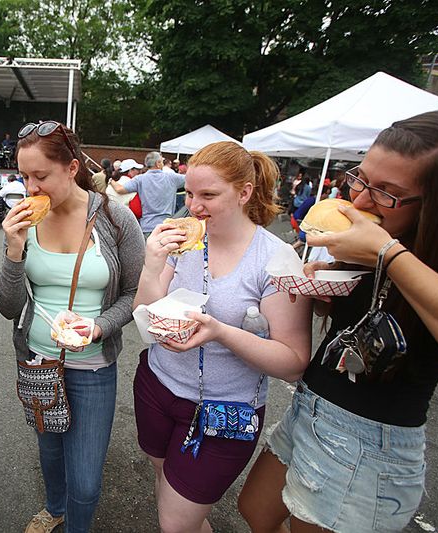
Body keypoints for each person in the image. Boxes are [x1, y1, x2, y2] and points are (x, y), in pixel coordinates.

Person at [239, 110, 438, 533]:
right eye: (360, 178)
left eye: (387, 193)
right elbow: (355, 320)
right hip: (313, 405)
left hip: (371, 438)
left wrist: (388, 255)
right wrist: (322, 296)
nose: (360, 201)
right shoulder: (365, 238)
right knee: (256, 508)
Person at [132, 141, 311, 533]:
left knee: (175, 523)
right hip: (157, 387)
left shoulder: (276, 259)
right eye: (190, 194)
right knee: (168, 485)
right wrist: (151, 265)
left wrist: (219, 332)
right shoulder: (186, 241)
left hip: (225, 412)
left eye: (208, 195)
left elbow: (294, 362)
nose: (194, 206)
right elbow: (146, 318)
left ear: (245, 192)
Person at [0, 120, 145, 533]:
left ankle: (77, 521)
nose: (30, 188)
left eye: (40, 176)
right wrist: (13, 247)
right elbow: (8, 307)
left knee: (86, 478)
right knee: (50, 452)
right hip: (38, 361)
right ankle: (54, 506)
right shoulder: (24, 219)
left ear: (71, 167)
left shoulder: (115, 219)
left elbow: (135, 292)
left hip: (93, 365)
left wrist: (98, 327)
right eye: (24, 176)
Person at [109, 152, 185, 237]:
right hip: (166, 226)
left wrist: (110, 181)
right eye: (162, 162)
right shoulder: (172, 178)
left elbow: (119, 189)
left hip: (147, 227)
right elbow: (192, 179)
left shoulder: (140, 179)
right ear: (158, 163)